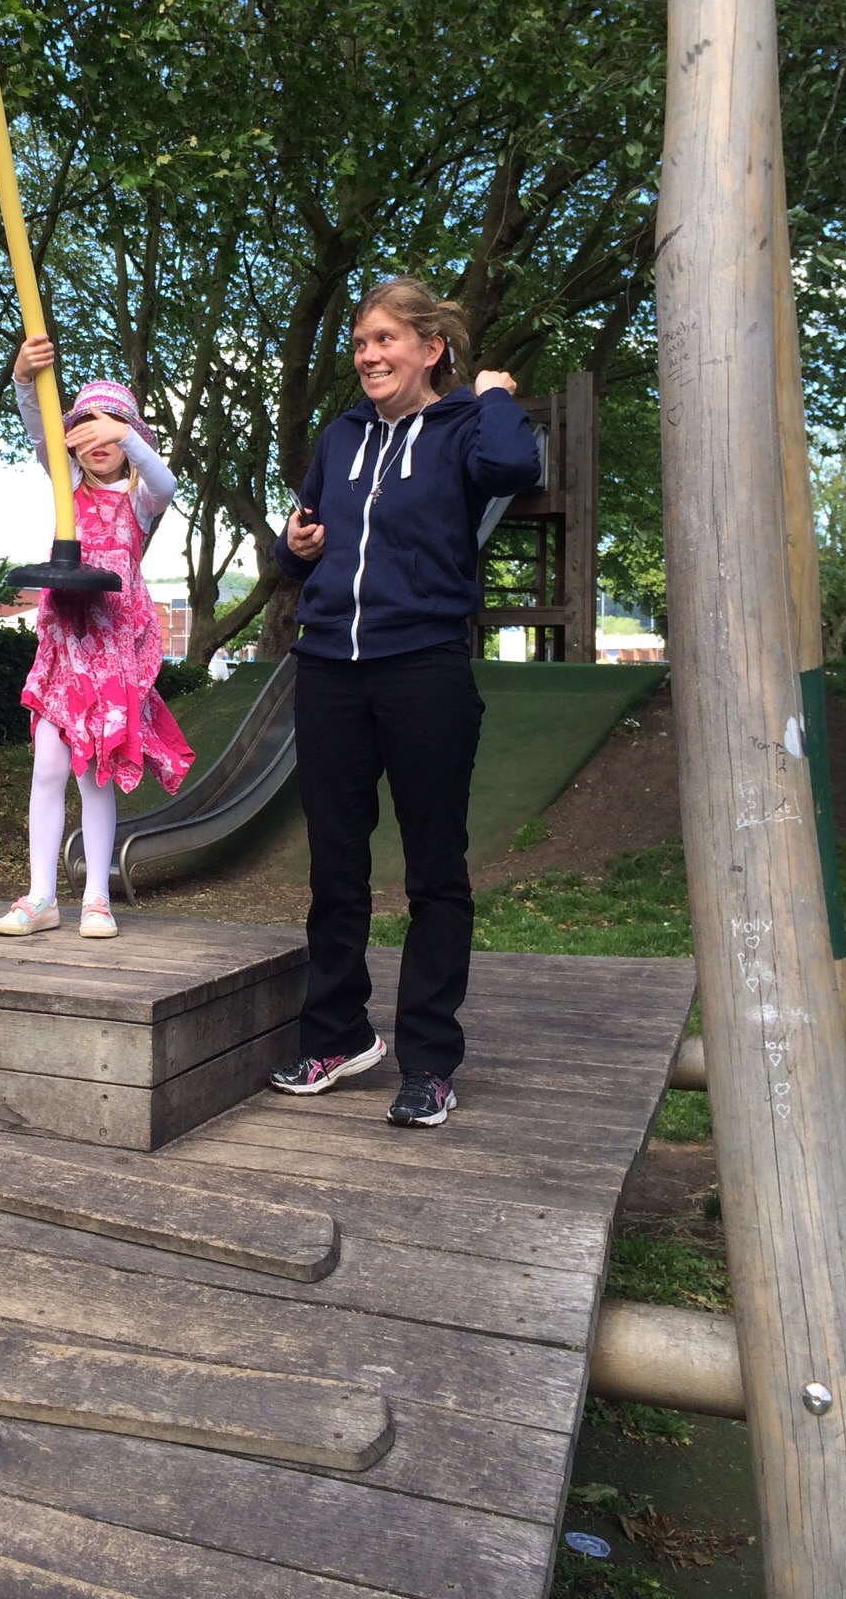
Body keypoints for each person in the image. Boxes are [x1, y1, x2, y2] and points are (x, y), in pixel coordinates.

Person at [268, 277, 541, 1125]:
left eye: (386, 340)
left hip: (422, 667)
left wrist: (493, 396)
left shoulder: (468, 428)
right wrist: (292, 547)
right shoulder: (339, 435)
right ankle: (338, 1034)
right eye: (359, 344)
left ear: (432, 349)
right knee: (335, 867)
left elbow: (515, 468)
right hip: (330, 670)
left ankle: (429, 1060)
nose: (369, 356)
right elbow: (306, 552)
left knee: (434, 870)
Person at [0, 336, 193, 940]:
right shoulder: (65, 489)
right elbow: (38, 433)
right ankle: (41, 896)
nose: (100, 445)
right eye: (89, 434)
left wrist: (124, 430)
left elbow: (168, 482)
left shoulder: (138, 500)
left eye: (113, 437)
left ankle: (97, 898)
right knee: (49, 769)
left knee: (96, 772)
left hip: (110, 653)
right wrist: (26, 382)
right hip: (64, 646)